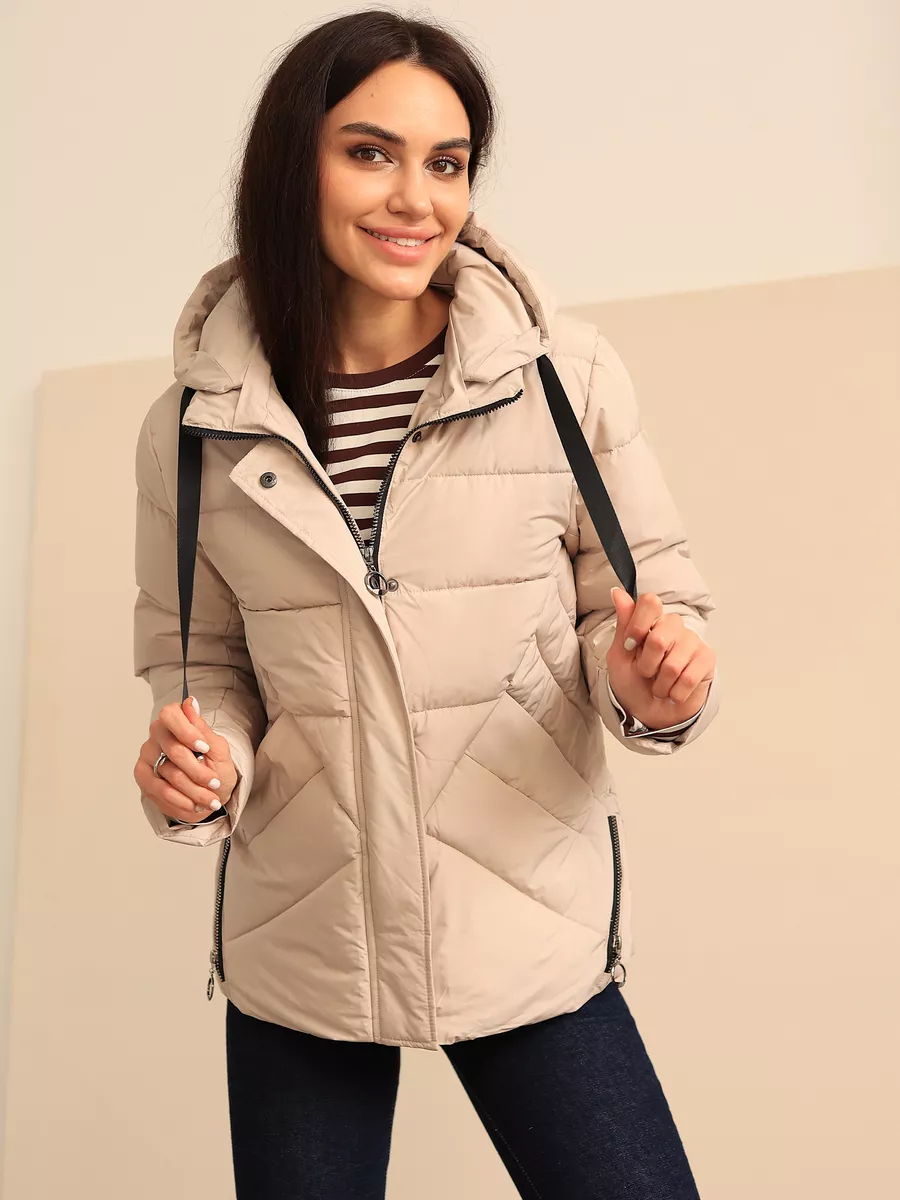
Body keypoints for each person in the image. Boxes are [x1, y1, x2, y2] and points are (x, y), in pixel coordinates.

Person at [131, 10, 720, 1198]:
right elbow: (202, 665)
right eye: (370, 153)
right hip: (304, 944)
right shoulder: (190, 430)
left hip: (524, 921)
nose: (417, 198)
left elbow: (644, 606)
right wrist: (198, 763)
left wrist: (651, 678)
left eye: (446, 162)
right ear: (291, 164)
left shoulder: (564, 378)